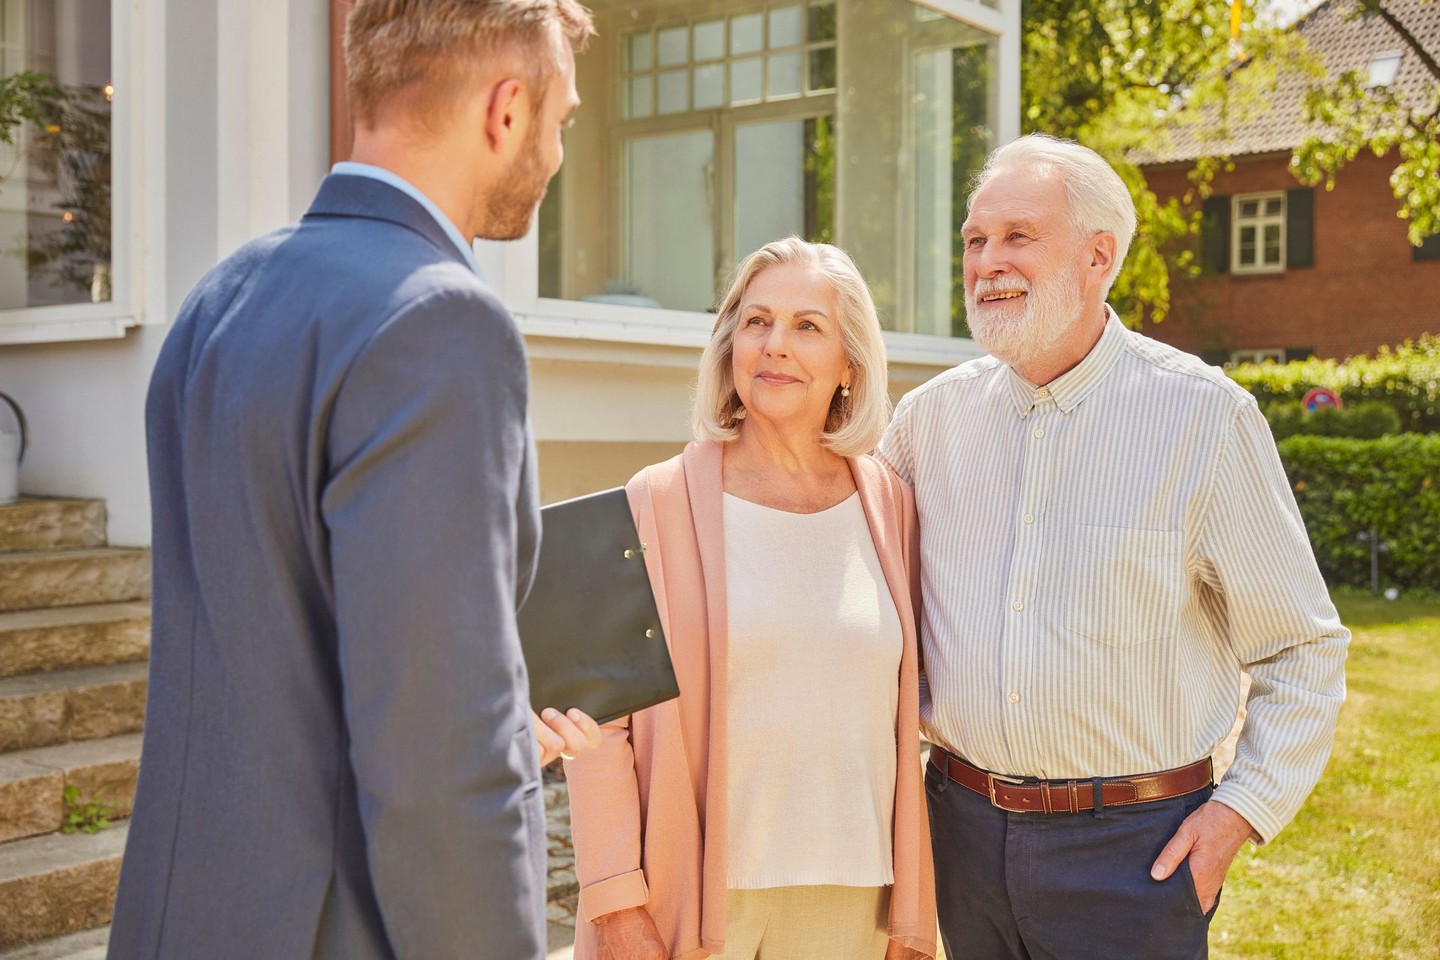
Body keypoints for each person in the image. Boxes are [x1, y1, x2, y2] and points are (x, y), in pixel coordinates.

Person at [109, 2, 599, 958]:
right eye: (563, 121)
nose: (557, 151)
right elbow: (438, 765)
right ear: (505, 112)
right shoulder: (441, 323)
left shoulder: (218, 299)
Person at [877, 133, 1349, 959]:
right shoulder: (926, 424)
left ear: (1099, 256)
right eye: (974, 240)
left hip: (1134, 857)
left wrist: (1240, 814)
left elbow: (1302, 647)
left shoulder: (1205, 419)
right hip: (957, 835)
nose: (987, 261)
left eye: (1018, 236)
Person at [563, 238, 937, 960]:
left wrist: (912, 919)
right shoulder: (656, 501)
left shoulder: (890, 505)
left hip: (857, 900)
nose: (775, 346)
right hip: (696, 900)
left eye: (807, 326)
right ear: (729, 344)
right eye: (757, 321)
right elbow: (598, 717)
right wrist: (614, 903)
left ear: (849, 363)